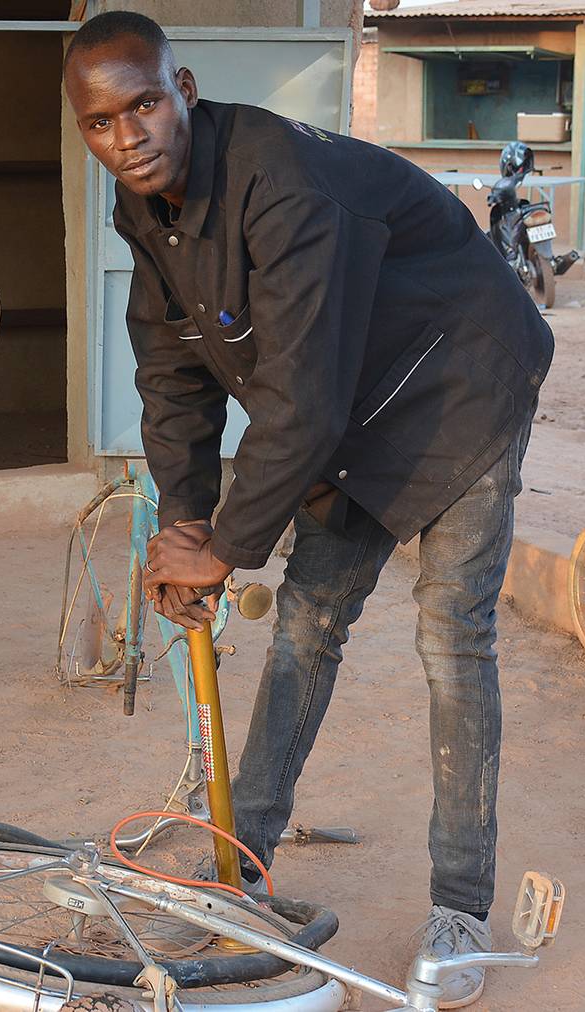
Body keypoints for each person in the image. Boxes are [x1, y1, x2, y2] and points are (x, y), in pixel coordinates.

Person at [63, 12, 554, 1008]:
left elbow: (302, 399)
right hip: (351, 403)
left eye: (146, 104)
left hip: (459, 378)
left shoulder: (281, 183)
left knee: (452, 638)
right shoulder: (142, 210)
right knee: (307, 621)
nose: (130, 137)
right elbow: (175, 381)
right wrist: (189, 522)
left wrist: (228, 548)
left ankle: (460, 907)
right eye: (102, 123)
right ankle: (242, 867)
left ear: (185, 88)